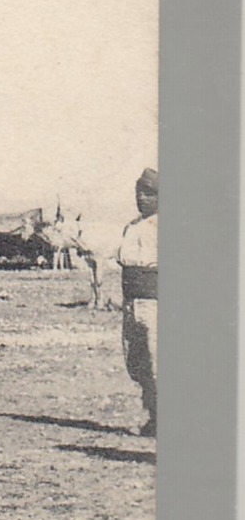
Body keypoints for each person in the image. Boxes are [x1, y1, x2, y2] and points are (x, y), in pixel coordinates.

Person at [117, 168, 157, 436]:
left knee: (158, 363)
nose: (142, 198)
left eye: (149, 193)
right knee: (136, 362)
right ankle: (154, 416)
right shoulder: (131, 227)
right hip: (131, 302)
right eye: (138, 193)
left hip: (155, 303)